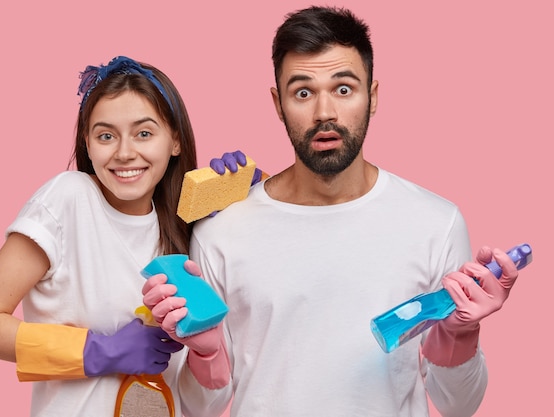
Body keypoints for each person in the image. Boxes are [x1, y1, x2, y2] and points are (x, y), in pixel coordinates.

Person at [142, 6, 521, 417]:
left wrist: (460, 333)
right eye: (303, 92)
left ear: (372, 97)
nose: (324, 112)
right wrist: (205, 349)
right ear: (278, 103)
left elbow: (460, 406)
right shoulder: (224, 229)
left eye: (343, 89)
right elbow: (200, 407)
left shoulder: (436, 222)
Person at [0, 56, 230, 417]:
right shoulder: (70, 199)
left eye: (144, 133)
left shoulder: (185, 235)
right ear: (87, 144)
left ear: (175, 140)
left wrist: (207, 353)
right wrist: (98, 351)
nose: (125, 152)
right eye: (106, 136)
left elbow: (197, 406)